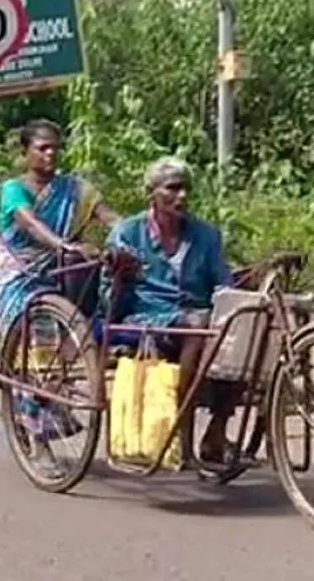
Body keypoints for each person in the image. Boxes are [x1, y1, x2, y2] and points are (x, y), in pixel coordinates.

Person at [0, 119, 121, 473]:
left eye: (55, 148)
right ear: (25, 152)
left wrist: (131, 234)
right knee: (37, 351)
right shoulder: (13, 189)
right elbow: (30, 223)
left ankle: (53, 399)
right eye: (42, 148)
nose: (50, 154)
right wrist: (63, 245)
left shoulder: (75, 189)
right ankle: (38, 441)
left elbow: (107, 215)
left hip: (66, 276)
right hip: (21, 279)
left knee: (94, 327)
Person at [107, 157, 238, 466]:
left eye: (185, 189)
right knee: (198, 323)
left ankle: (217, 431)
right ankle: (182, 427)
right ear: (152, 193)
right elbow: (108, 302)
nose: (182, 196)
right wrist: (118, 276)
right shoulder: (127, 234)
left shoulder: (206, 235)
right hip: (148, 319)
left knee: (248, 326)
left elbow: (225, 285)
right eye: (173, 189)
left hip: (199, 318)